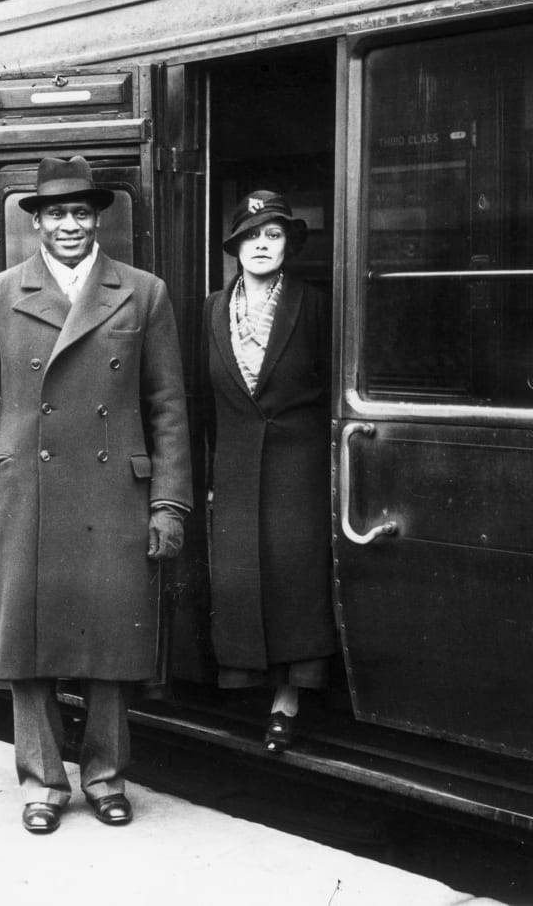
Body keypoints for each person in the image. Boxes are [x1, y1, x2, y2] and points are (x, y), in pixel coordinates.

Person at [0, 155, 192, 834]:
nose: (68, 224)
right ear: (38, 223)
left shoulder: (143, 292)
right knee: (27, 647)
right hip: (25, 490)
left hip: (114, 489)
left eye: (80, 212)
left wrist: (168, 503)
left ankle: (107, 777)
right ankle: (43, 783)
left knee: (111, 644)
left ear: (97, 219)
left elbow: (168, 406)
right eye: (55, 213)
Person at [200, 190, 335, 753]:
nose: (261, 245)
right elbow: (201, 398)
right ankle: (247, 682)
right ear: (234, 247)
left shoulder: (315, 303)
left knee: (294, 581)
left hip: (297, 468)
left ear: (289, 244)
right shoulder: (209, 309)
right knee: (243, 579)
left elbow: (331, 392)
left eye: (273, 235)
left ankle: (289, 698)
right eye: (251, 236)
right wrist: (203, 474)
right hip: (232, 466)